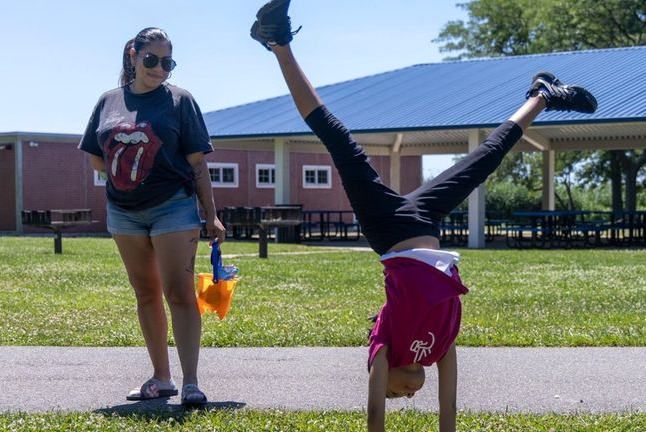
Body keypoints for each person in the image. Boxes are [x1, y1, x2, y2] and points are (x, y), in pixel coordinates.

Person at [249, 1, 597, 430]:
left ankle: (276, 41)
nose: (408, 394)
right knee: (485, 159)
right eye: (409, 397)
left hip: (386, 232)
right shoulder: (439, 349)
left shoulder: (384, 344)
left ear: (379, 377)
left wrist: (381, 396)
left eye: (394, 392)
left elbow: (375, 416)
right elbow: (447, 413)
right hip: (424, 225)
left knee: (336, 139)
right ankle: (542, 92)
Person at [78, 27, 225, 406]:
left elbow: (198, 163)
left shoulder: (180, 101)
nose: (159, 69)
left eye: (167, 62)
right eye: (151, 60)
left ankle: (191, 382)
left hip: (173, 207)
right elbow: (97, 155)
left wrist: (212, 215)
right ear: (133, 55)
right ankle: (161, 378)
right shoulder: (108, 101)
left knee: (179, 293)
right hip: (123, 212)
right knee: (146, 293)